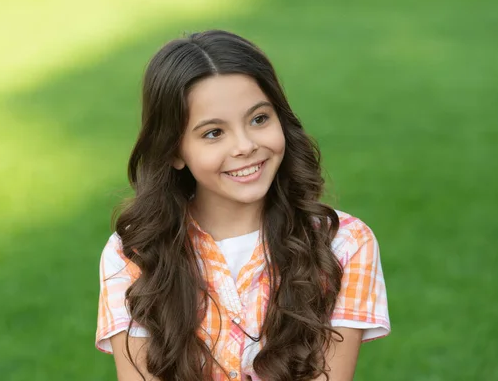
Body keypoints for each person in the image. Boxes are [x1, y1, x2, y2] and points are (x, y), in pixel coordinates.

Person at [95, 30, 390, 381]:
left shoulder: (343, 243)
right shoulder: (133, 254)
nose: (245, 146)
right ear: (174, 151)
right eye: (213, 133)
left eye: (259, 119)